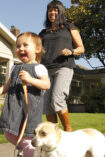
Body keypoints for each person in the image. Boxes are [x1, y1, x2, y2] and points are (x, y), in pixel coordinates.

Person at [0, 32, 50, 157]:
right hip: (14, 107)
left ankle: (27, 151)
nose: (21, 49)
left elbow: (46, 84)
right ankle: (23, 149)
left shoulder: (39, 68)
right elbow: (7, 85)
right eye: (18, 46)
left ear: (37, 49)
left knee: (27, 137)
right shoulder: (14, 68)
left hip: (30, 109)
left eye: (25, 45)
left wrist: (30, 79)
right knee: (8, 133)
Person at [39, 0, 85, 132]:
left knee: (57, 99)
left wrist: (71, 51)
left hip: (64, 67)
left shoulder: (69, 27)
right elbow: (38, 52)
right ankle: (54, 135)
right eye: (49, 10)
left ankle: (68, 130)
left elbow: (81, 48)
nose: (52, 12)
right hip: (46, 70)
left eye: (55, 10)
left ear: (61, 12)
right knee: (47, 105)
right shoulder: (43, 33)